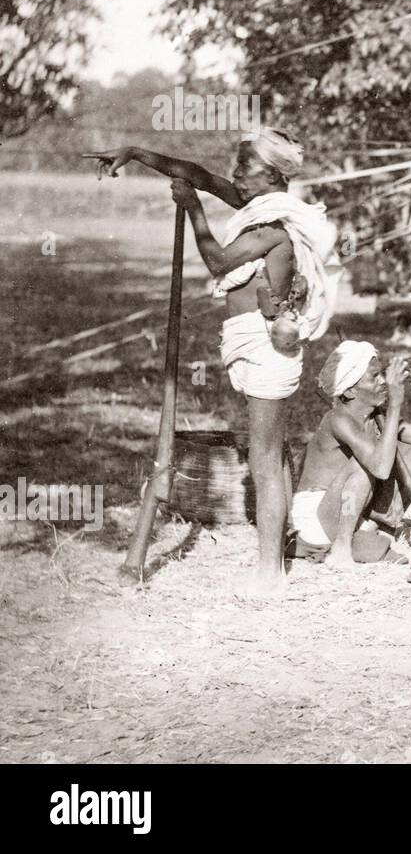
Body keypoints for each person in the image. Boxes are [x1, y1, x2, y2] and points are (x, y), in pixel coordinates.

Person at [86, 130, 340, 592]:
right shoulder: (254, 205)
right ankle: (277, 549)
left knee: (263, 459)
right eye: (238, 168)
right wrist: (135, 153)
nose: (237, 176)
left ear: (273, 176)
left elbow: (219, 263)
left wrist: (193, 209)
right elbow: (199, 175)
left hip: (268, 347)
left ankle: (269, 575)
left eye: (245, 169)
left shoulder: (272, 227)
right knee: (272, 454)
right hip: (252, 343)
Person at [296, 341, 411, 566]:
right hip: (317, 515)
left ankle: (380, 530)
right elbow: (380, 468)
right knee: (364, 464)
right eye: (375, 377)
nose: (383, 382)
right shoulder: (337, 419)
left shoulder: (378, 418)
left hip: (350, 510)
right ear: (351, 390)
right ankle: (342, 548)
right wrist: (395, 406)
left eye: (383, 374)